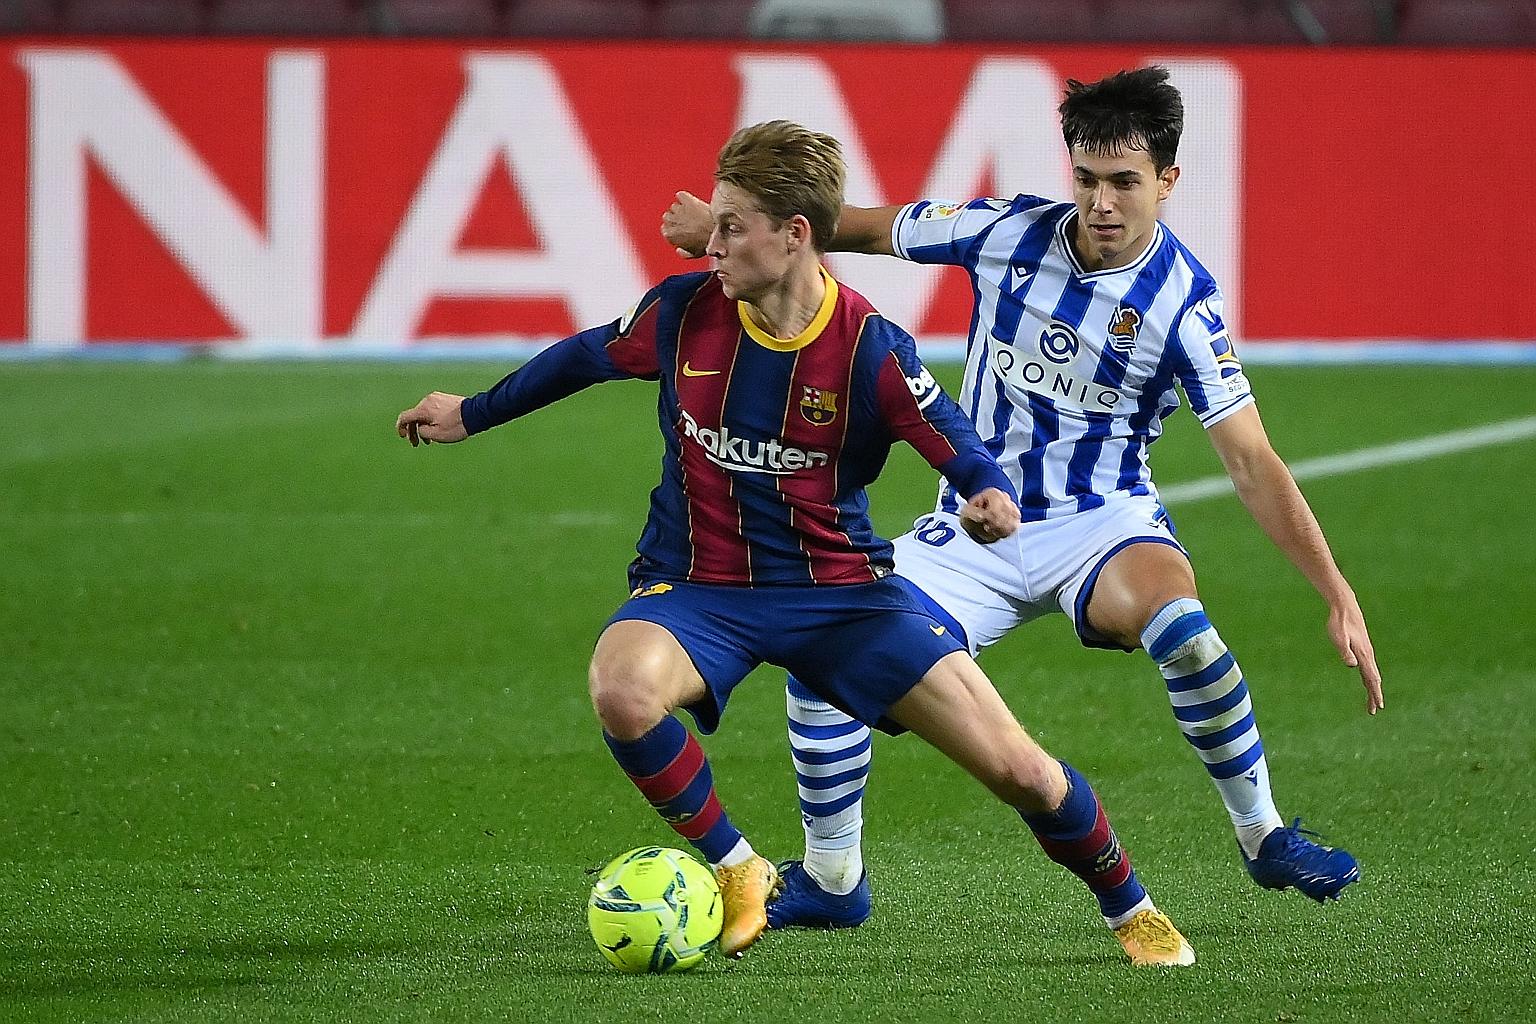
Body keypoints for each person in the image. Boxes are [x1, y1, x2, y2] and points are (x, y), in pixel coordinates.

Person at [399, 120, 1195, 966]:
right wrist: (472, 413)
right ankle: (740, 870)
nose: (710, 242)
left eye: (731, 225)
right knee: (622, 689)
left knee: (1023, 773)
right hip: (701, 586)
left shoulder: (868, 348)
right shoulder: (682, 314)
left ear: (795, 234)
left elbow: (950, 433)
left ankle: (1131, 908)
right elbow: (584, 357)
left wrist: (986, 493)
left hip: (842, 597)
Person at [662, 69, 1383, 929]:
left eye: (1125, 182)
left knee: (1185, 633)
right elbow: (844, 227)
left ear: (1168, 183)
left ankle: (1262, 835)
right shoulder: (1003, 231)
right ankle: (833, 877)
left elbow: (1252, 461)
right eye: (1087, 178)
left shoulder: (1185, 306)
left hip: (1102, 522)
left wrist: (1335, 591)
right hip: (974, 524)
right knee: (826, 659)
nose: (1102, 202)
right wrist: (729, 230)